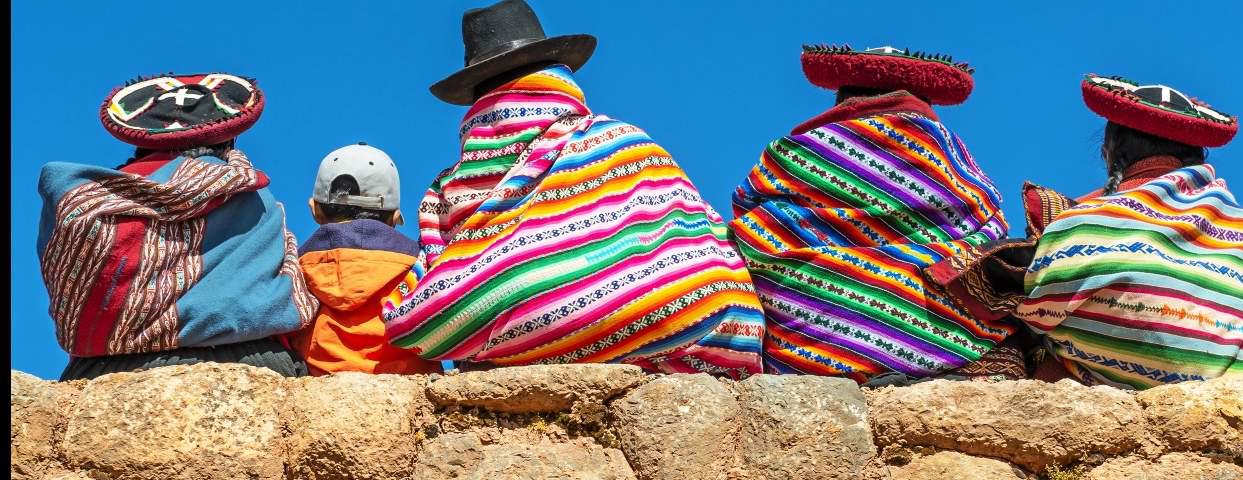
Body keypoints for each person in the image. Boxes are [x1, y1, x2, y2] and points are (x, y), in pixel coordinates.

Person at [382, 0, 764, 377]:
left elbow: (426, 313)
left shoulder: (452, 188)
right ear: (558, 79)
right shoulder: (624, 142)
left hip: (525, 347)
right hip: (694, 323)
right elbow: (705, 248)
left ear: (481, 103)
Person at [729, 45, 1025, 383]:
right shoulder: (947, 158)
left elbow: (748, 213)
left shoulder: (799, 155)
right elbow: (990, 227)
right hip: (947, 345)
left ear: (842, 101)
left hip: (811, 356)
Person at [1016, 74, 1243, 389]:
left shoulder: (1085, 222)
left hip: (1109, 393)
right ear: (1196, 157)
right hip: (1242, 389)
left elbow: (1039, 309)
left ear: (1109, 153)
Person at [38, 72, 317, 380]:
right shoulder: (249, 193)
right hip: (249, 362)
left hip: (105, 369)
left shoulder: (79, 202)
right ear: (227, 140)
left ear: (141, 141)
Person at [288, 143, 442, 375]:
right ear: (395, 217)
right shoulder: (423, 267)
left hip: (318, 383)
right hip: (410, 384)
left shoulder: (295, 269)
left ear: (315, 210)